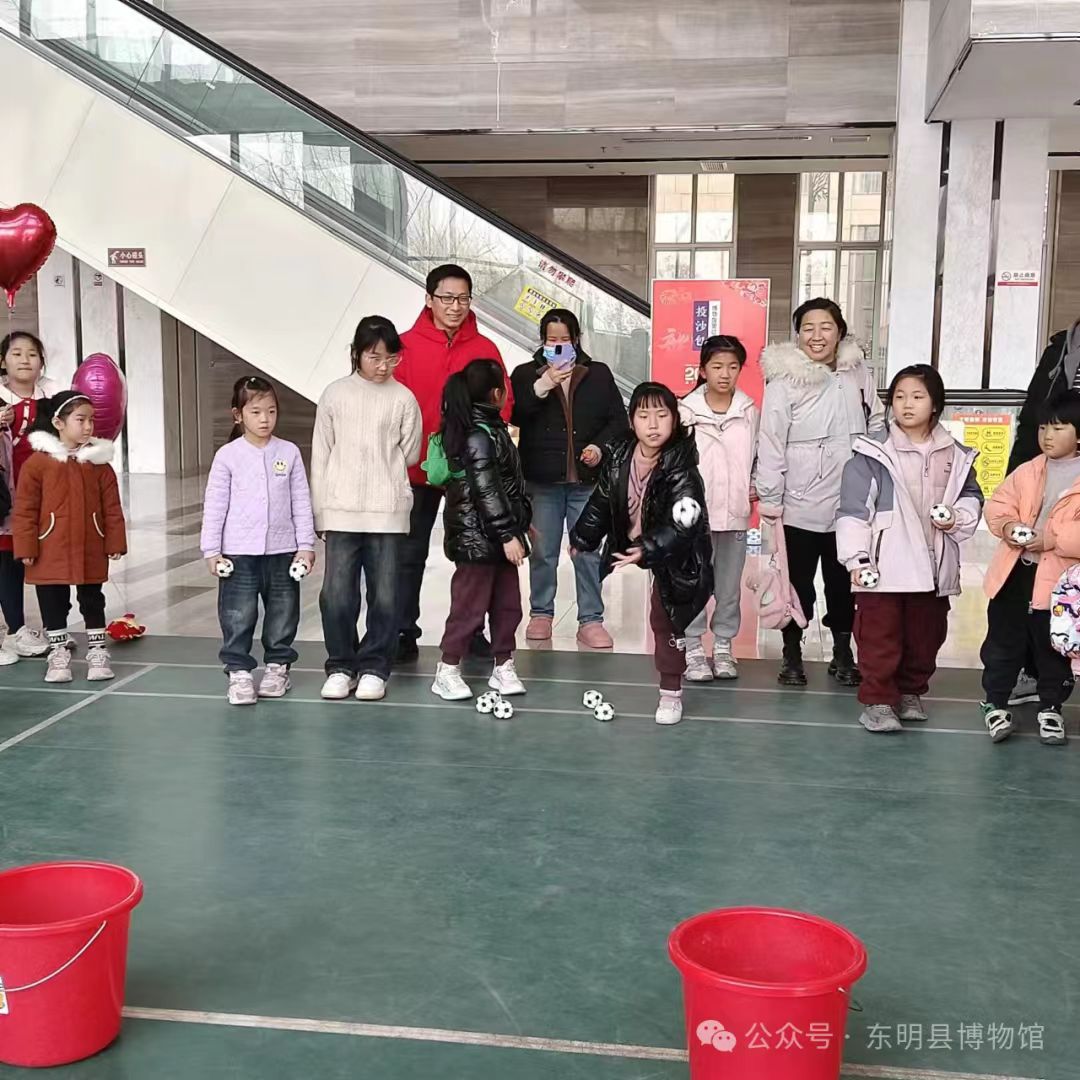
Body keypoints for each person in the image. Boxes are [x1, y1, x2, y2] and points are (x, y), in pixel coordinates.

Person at [837, 365, 983, 733]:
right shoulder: (872, 453)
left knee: (926, 635)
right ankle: (878, 701)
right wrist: (857, 559)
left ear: (935, 404)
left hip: (934, 566)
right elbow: (853, 512)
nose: (907, 404)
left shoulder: (956, 454)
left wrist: (957, 517)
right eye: (899, 397)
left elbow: (971, 496)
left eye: (917, 397)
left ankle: (909, 692)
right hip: (884, 567)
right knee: (878, 637)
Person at [757, 298, 885, 687]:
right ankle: (792, 652)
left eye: (826, 327)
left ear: (839, 332)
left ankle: (843, 651)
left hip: (850, 502)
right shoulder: (784, 380)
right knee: (796, 582)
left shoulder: (856, 372)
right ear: (797, 335)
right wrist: (771, 498)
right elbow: (771, 441)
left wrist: (877, 479)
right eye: (808, 328)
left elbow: (877, 421)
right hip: (798, 502)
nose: (817, 335)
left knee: (845, 582)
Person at [569, 382, 713, 725]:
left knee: (666, 619)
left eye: (662, 415)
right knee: (664, 618)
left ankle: (671, 694)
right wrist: (583, 538)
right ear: (631, 420)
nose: (653, 424)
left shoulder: (682, 465)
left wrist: (647, 549)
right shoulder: (620, 455)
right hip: (638, 543)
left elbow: (684, 521)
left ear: (674, 419)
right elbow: (602, 500)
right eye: (644, 415)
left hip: (677, 552)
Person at [394, 265, 513, 664]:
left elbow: (504, 403)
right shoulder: (405, 347)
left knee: (475, 553)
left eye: (463, 298)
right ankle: (402, 630)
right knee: (409, 554)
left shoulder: (485, 348)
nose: (455, 306)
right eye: (447, 298)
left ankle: (472, 630)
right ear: (429, 299)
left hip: (471, 472)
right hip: (418, 469)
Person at [311, 316, 422, 703]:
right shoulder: (334, 395)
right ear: (356, 354)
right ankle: (341, 666)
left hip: (387, 511)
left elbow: (411, 452)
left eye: (391, 358)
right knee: (336, 595)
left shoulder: (403, 399)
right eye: (375, 357)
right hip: (340, 510)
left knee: (386, 596)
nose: (383, 366)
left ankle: (375, 667)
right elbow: (321, 455)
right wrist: (320, 511)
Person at [510, 308, 627, 649]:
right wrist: (542, 386)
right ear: (542, 341)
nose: (558, 346)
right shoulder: (525, 374)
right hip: (542, 480)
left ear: (576, 340)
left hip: (586, 481)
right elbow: (517, 415)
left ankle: (590, 619)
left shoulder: (598, 374)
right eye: (552, 340)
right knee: (543, 551)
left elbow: (617, 421)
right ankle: (541, 613)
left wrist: (599, 448)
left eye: (565, 339)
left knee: (587, 550)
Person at [200, 376, 316, 706]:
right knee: (237, 614)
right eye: (255, 412)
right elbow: (215, 504)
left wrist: (305, 546)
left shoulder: (289, 452)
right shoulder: (228, 456)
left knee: (283, 611)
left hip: (283, 551)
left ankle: (278, 667)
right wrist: (212, 550)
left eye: (271, 411)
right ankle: (239, 672)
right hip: (238, 553)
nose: (265, 419)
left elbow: (301, 501)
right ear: (238, 415)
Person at [979, 391, 1080, 746]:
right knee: (1002, 641)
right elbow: (997, 505)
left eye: (1059, 427)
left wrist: (1050, 538)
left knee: (1053, 646)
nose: (1048, 436)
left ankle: (1051, 707)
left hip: (1060, 582)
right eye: (1042, 427)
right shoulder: (1028, 470)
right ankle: (995, 702)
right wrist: (1008, 526)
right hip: (1015, 573)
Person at [431, 359, 531, 703]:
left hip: (497, 535)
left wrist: (520, 525)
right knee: (469, 606)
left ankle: (503, 664)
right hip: (478, 538)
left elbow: (507, 487)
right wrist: (507, 534)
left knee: (507, 604)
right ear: (497, 393)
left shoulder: (493, 429)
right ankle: (447, 669)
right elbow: (486, 488)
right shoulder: (478, 435)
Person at [11, 391, 126, 683]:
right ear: (58, 423)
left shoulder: (99, 465)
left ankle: (98, 651)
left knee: (92, 598)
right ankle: (58, 652)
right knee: (53, 599)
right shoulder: (38, 464)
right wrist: (26, 546)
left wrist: (114, 541)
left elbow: (112, 508)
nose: (88, 427)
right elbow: (25, 510)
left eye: (91, 420)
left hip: (90, 544)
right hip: (50, 545)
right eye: (80, 420)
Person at [679, 334, 759, 681]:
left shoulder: (749, 411)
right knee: (694, 581)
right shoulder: (685, 412)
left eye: (732, 367)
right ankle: (693, 648)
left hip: (735, 512)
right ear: (702, 370)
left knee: (728, 586)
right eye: (717, 366)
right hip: (695, 515)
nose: (725, 374)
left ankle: (724, 646)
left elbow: (760, 456)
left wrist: (752, 486)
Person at [0, 331, 63, 663]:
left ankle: (56, 628)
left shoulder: (55, 399)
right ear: (2, 361)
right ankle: (15, 629)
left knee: (46, 560)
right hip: (6, 497)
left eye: (32, 354)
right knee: (8, 559)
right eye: (16, 353)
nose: (24, 360)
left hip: (45, 495)